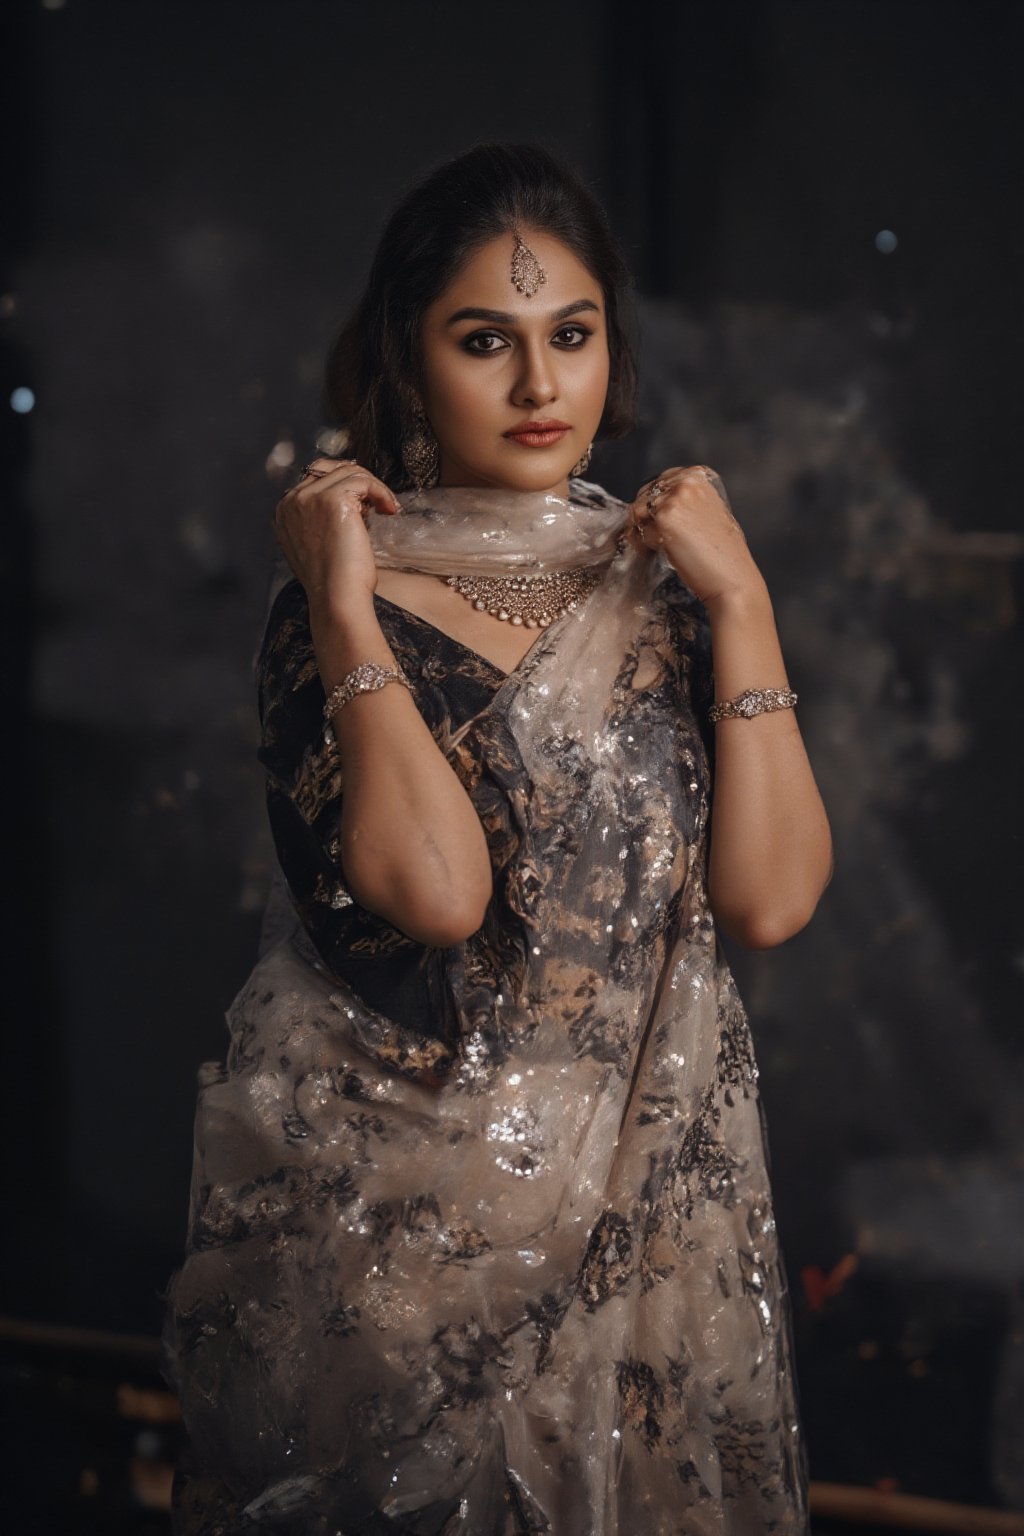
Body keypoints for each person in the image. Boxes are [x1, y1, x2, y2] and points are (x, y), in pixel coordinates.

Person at [162, 142, 833, 1535]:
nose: (542, 387)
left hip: (651, 1235)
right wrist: (348, 609)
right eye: (487, 342)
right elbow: (443, 895)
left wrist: (748, 603)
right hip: (422, 1263)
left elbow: (769, 902)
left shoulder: (665, 595)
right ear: (409, 362)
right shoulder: (341, 608)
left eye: (571, 336)